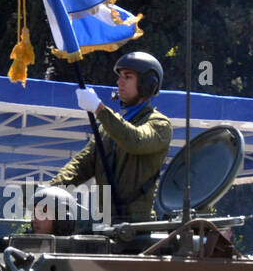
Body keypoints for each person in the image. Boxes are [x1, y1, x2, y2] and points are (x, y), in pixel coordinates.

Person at [53, 51, 173, 223]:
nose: (119, 82)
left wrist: (99, 109)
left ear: (148, 84)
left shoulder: (160, 125)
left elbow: (135, 140)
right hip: (106, 223)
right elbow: (82, 164)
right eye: (120, 76)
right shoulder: (108, 128)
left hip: (138, 227)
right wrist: (51, 190)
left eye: (128, 76)